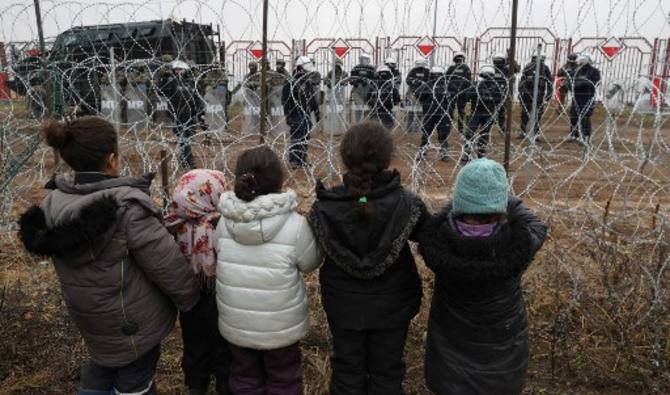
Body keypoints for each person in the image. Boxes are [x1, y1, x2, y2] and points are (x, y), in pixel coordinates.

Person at [18, 116, 199, 395]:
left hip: (90, 318)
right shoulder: (127, 207)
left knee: (101, 366)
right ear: (113, 160)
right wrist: (191, 299)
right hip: (133, 323)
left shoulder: (52, 203)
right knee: (134, 379)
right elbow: (166, 265)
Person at [307, 122, 426, 395]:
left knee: (347, 369)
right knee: (388, 370)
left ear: (345, 158)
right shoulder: (405, 204)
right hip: (393, 305)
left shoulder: (324, 208)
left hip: (344, 305)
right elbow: (431, 241)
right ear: (386, 159)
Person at [418, 157, 547, 395]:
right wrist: (503, 200)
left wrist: (455, 204)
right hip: (504, 367)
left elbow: (439, 219)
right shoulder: (517, 243)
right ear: (499, 206)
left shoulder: (441, 241)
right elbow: (538, 225)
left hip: (449, 368)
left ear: (459, 202)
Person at [214, 146, 322, 395]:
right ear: (279, 179)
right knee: (284, 378)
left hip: (237, 323)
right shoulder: (295, 225)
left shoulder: (224, 222)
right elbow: (309, 263)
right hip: (281, 326)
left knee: (243, 376)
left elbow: (217, 251)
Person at [165, 170, 233, 395]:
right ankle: (224, 383)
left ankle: (196, 384)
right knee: (223, 344)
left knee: (194, 341)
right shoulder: (223, 222)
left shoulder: (173, 223)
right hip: (221, 295)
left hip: (188, 294)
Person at [160, 60, 204, 169]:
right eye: (176, 70)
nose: (179, 71)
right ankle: (188, 161)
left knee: (186, 139)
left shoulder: (191, 83)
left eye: (181, 69)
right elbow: (160, 91)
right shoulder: (172, 83)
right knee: (184, 139)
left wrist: (200, 115)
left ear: (185, 70)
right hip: (178, 115)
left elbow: (197, 99)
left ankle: (184, 159)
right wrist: (164, 78)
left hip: (190, 115)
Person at [282, 56, 320, 168]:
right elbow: (285, 100)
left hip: (306, 113)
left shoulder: (306, 82)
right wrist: (288, 115)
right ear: (299, 68)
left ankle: (302, 159)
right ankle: (294, 160)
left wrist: (316, 112)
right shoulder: (290, 82)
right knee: (296, 137)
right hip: (296, 114)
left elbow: (311, 98)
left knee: (305, 137)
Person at [463, 65, 506, 165]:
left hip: (488, 114)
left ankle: (481, 154)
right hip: (476, 112)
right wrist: (477, 93)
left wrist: (489, 98)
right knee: (470, 132)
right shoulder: (476, 85)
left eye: (489, 76)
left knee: (484, 135)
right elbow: (467, 96)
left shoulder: (496, 87)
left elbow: (500, 100)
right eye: (485, 76)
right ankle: (467, 152)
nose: (487, 78)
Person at [419, 65, 451, 160]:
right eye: (434, 75)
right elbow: (418, 94)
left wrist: (448, 95)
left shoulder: (446, 86)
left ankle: (443, 153)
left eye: (438, 75)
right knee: (426, 133)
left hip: (443, 114)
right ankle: (422, 152)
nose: (436, 77)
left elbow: (454, 98)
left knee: (443, 134)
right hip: (430, 113)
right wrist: (427, 94)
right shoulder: (427, 85)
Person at [518, 54, 554, 139]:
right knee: (526, 112)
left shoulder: (544, 68)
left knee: (536, 113)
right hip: (529, 93)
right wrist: (521, 92)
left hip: (537, 93)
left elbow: (549, 81)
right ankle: (524, 131)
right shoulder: (528, 67)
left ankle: (534, 133)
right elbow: (522, 80)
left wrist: (549, 93)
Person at [569, 53, 601, 145]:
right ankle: (574, 135)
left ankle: (586, 137)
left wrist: (584, 83)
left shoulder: (594, 71)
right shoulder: (576, 70)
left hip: (587, 97)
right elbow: (570, 80)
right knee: (574, 117)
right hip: (576, 96)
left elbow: (596, 82)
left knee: (585, 118)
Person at [445, 51, 472, 136]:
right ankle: (460, 129)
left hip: (453, 92)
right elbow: (469, 81)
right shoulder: (466, 68)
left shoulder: (451, 68)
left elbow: (446, 79)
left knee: (450, 110)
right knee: (460, 110)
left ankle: (448, 126)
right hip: (462, 93)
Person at [492, 52, 518, 134]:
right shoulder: (492, 69)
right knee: (493, 110)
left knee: (501, 111)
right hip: (494, 93)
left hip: (502, 93)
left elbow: (516, 69)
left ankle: (501, 126)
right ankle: (494, 125)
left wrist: (511, 58)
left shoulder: (507, 69)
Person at [370, 64, 401, 130]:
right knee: (389, 124)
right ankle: (387, 133)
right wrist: (396, 102)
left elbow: (369, 96)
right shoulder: (390, 86)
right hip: (387, 107)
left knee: (373, 124)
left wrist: (370, 103)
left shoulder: (374, 85)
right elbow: (396, 97)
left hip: (376, 107)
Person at [405, 59, 431, 133]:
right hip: (413, 94)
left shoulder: (427, 71)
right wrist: (416, 82)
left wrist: (424, 85)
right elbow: (408, 80)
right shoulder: (413, 71)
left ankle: (417, 130)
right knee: (411, 112)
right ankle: (409, 130)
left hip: (423, 94)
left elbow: (430, 81)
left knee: (420, 113)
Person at [350, 54, 377, 122]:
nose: (363, 60)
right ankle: (358, 122)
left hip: (369, 90)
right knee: (359, 107)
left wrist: (368, 83)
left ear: (368, 60)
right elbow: (351, 79)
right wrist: (356, 83)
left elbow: (376, 80)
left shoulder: (372, 69)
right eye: (362, 59)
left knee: (369, 107)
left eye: (365, 59)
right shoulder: (355, 68)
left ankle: (366, 122)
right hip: (357, 90)